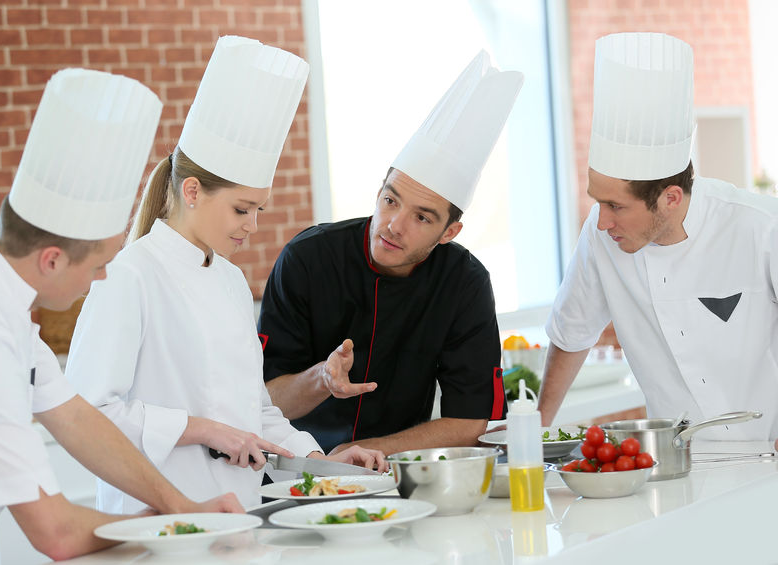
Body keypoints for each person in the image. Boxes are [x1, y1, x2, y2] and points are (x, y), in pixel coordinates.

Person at [0, 69, 243, 565]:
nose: (101, 280)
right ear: (52, 259)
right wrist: (174, 525)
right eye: (98, 265)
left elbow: (76, 418)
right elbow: (56, 534)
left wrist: (179, 504)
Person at [65, 36, 386, 512]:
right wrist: (202, 428)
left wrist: (326, 463)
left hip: (238, 516)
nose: (253, 226)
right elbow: (88, 415)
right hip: (155, 524)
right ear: (192, 190)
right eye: (242, 208)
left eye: (259, 208)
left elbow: (255, 413)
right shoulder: (129, 276)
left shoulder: (232, 283)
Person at [258, 51, 524, 454]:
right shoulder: (307, 259)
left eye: (421, 217)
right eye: (390, 200)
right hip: (297, 472)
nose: (394, 225)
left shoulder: (464, 282)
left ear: (450, 231)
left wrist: (372, 451)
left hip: (401, 473)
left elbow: (473, 421)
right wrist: (322, 380)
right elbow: (264, 402)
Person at [538, 32, 778, 442]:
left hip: (767, 464)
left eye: (616, 206)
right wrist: (535, 427)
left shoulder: (759, 227)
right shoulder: (600, 240)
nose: (601, 222)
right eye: (598, 203)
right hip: (675, 469)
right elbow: (571, 332)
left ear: (669, 198)